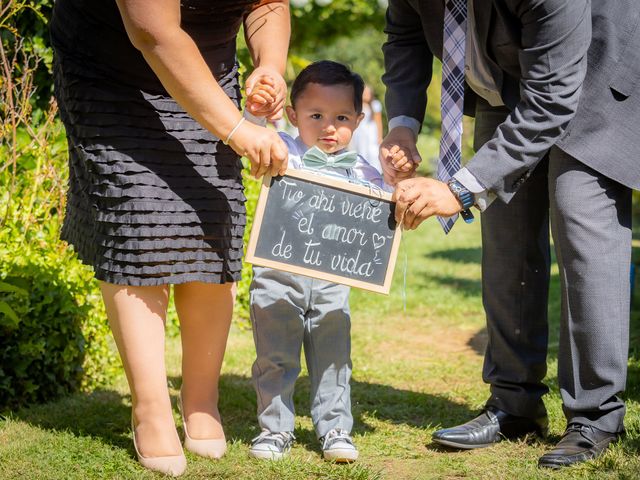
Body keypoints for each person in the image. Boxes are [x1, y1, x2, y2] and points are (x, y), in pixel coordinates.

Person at [381, 0, 639, 469]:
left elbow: (552, 98)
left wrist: (459, 189)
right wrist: (401, 126)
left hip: (596, 75)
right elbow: (405, 37)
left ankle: (594, 417)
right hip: (511, 81)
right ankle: (513, 405)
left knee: (580, 225)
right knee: (506, 240)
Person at [50, 0, 289, 476]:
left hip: (207, 70)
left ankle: (201, 401)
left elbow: (269, 3)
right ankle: (151, 409)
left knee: (213, 219)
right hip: (111, 74)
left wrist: (270, 65)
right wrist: (239, 129)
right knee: (137, 224)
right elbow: (154, 32)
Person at [247, 60, 387, 463]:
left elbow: (381, 219)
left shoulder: (363, 172)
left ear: (358, 121)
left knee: (333, 356)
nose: (329, 127)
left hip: (331, 280)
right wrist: (256, 108)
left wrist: (396, 178)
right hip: (277, 274)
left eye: (341, 117)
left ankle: (335, 428)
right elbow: (250, 133)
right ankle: (275, 430)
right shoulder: (282, 151)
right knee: (275, 356)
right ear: (293, 116)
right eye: (316, 115)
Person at [349, 84, 384, 173]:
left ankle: (374, 171)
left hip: (370, 132)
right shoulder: (357, 105)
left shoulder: (375, 105)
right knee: (359, 150)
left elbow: (378, 122)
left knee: (372, 151)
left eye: (368, 93)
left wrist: (379, 137)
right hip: (359, 132)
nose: (366, 95)